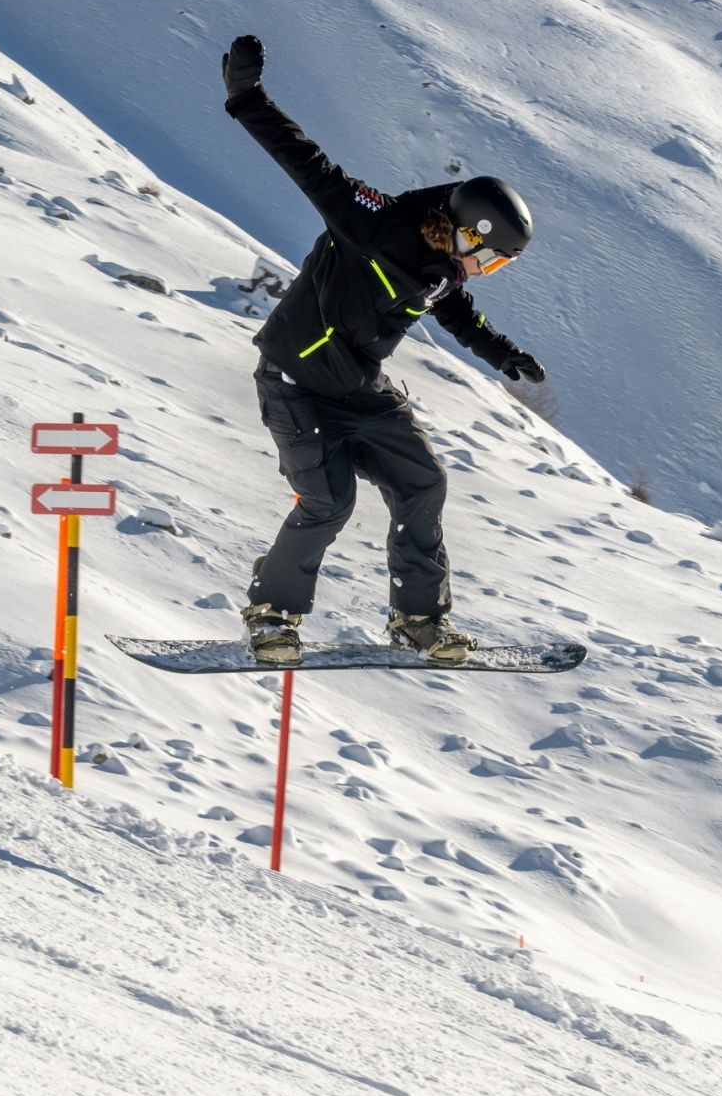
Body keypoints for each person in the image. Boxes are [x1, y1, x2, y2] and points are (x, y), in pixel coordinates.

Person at [220, 34, 546, 666]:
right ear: (467, 232)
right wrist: (245, 97)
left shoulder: (448, 263)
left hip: (358, 389)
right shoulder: (373, 220)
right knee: (328, 502)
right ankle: (271, 613)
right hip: (294, 382)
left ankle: (418, 621)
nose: (488, 269)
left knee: (423, 482)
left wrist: (502, 354)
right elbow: (304, 159)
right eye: (493, 257)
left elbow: (451, 305)